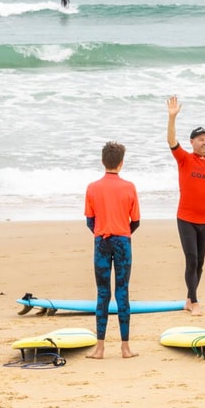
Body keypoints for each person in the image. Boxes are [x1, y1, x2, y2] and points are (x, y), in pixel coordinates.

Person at [166, 95, 205, 317]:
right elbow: (171, 141)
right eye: (201, 139)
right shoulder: (184, 159)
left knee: (200, 263)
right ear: (192, 142)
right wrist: (172, 118)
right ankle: (195, 301)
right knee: (191, 258)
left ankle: (188, 299)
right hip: (186, 218)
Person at [84, 141, 141, 359]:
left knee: (102, 293)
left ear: (102, 161)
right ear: (121, 163)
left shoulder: (92, 187)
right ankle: (125, 348)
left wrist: (102, 232)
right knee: (122, 292)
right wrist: (122, 233)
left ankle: (100, 348)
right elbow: (135, 221)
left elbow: (90, 220)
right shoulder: (129, 187)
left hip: (101, 242)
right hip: (123, 243)